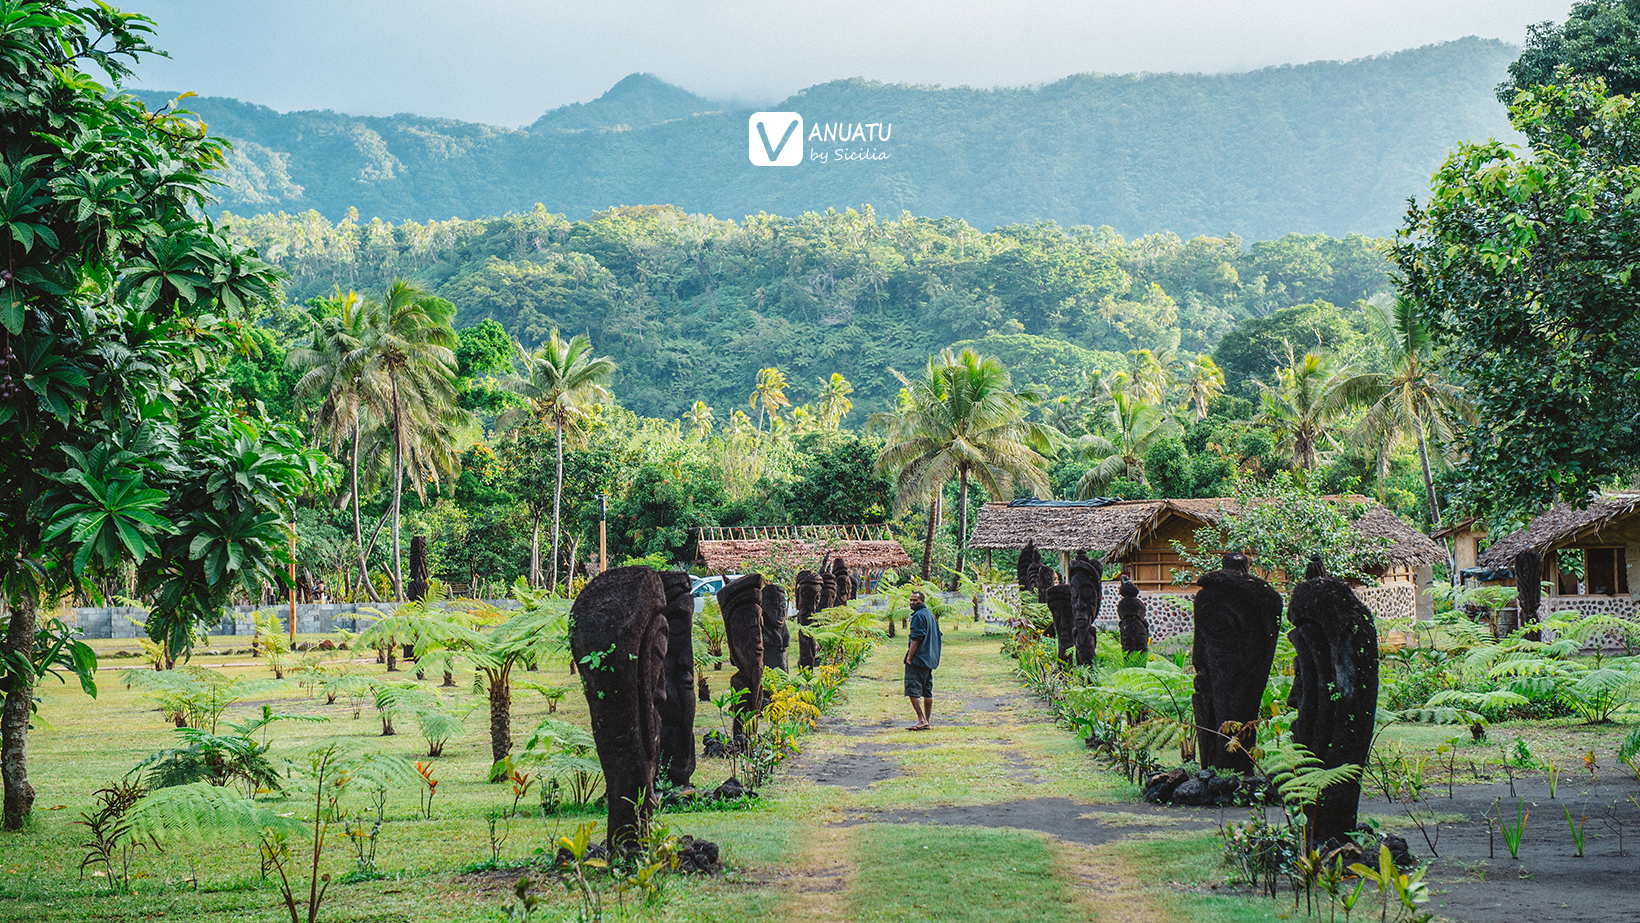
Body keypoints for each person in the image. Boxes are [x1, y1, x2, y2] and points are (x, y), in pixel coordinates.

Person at [904, 590, 942, 730]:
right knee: (927, 691)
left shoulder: (919, 616)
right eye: (911, 600)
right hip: (929, 658)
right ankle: (926, 720)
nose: (912, 602)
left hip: (919, 658)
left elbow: (916, 638)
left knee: (913, 689)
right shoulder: (930, 615)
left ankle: (921, 719)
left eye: (915, 600)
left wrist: (909, 657)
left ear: (922, 601)